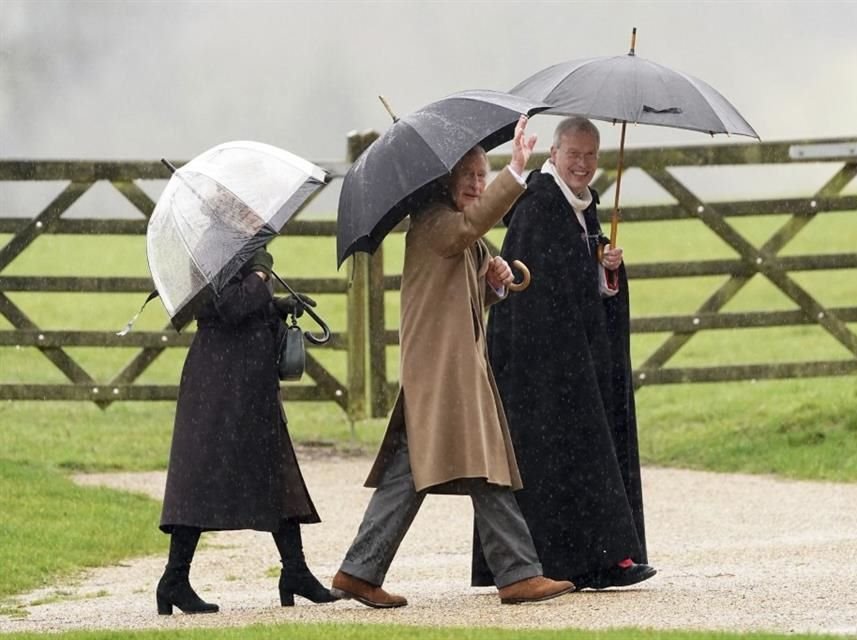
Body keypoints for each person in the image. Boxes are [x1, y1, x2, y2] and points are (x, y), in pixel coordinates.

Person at [329, 116, 575, 608]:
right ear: (447, 181)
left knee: (416, 471)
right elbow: (465, 229)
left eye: (484, 177)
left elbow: (464, 294)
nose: (478, 185)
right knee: (485, 468)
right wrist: (516, 172)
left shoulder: (452, 228)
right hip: (444, 374)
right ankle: (517, 573)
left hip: (447, 371)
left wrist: (496, 281)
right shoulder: (434, 223)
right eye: (471, 178)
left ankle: (359, 570)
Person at [472, 116, 656, 591]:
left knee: (591, 455)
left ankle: (603, 557)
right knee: (555, 461)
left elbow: (582, 282)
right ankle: (561, 560)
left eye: (591, 156)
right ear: (553, 154)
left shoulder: (584, 206)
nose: (582, 165)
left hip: (579, 360)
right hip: (544, 367)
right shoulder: (539, 206)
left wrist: (607, 268)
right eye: (573, 154)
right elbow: (532, 287)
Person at [156, 248, 337, 615]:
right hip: (220, 379)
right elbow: (230, 308)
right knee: (203, 474)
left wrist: (277, 307)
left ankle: (296, 571)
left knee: (275, 467)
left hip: (250, 378)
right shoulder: (209, 250)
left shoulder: (241, 245)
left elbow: (245, 306)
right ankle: (174, 578)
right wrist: (261, 276)